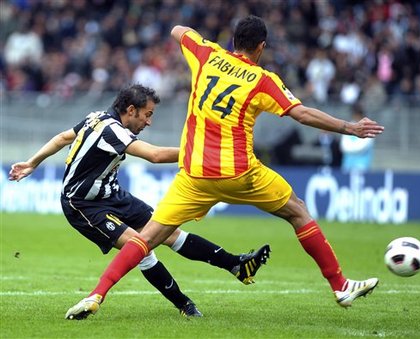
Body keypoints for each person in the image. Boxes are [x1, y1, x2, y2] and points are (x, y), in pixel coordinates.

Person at [66, 15, 385, 319]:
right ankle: (340, 286)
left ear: (233, 40)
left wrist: (192, 37)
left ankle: (97, 294)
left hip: (193, 175)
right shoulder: (262, 80)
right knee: (297, 211)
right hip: (241, 174)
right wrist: (350, 127)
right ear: (261, 47)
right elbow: (300, 114)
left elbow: (178, 30)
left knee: (147, 238)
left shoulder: (206, 55)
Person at [8, 84, 271, 319]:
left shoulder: (96, 117)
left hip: (113, 195)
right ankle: (184, 304)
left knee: (170, 233)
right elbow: (155, 155)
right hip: (83, 205)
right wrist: (205, 154)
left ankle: (236, 265)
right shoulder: (114, 132)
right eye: (147, 114)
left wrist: (32, 163)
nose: (149, 121)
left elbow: (64, 137)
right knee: (141, 246)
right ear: (131, 110)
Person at [340, 105, 375, 172]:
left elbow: (361, 147)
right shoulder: (349, 126)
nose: (356, 117)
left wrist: (350, 148)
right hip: (347, 164)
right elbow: (343, 146)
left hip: (362, 165)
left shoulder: (368, 127)